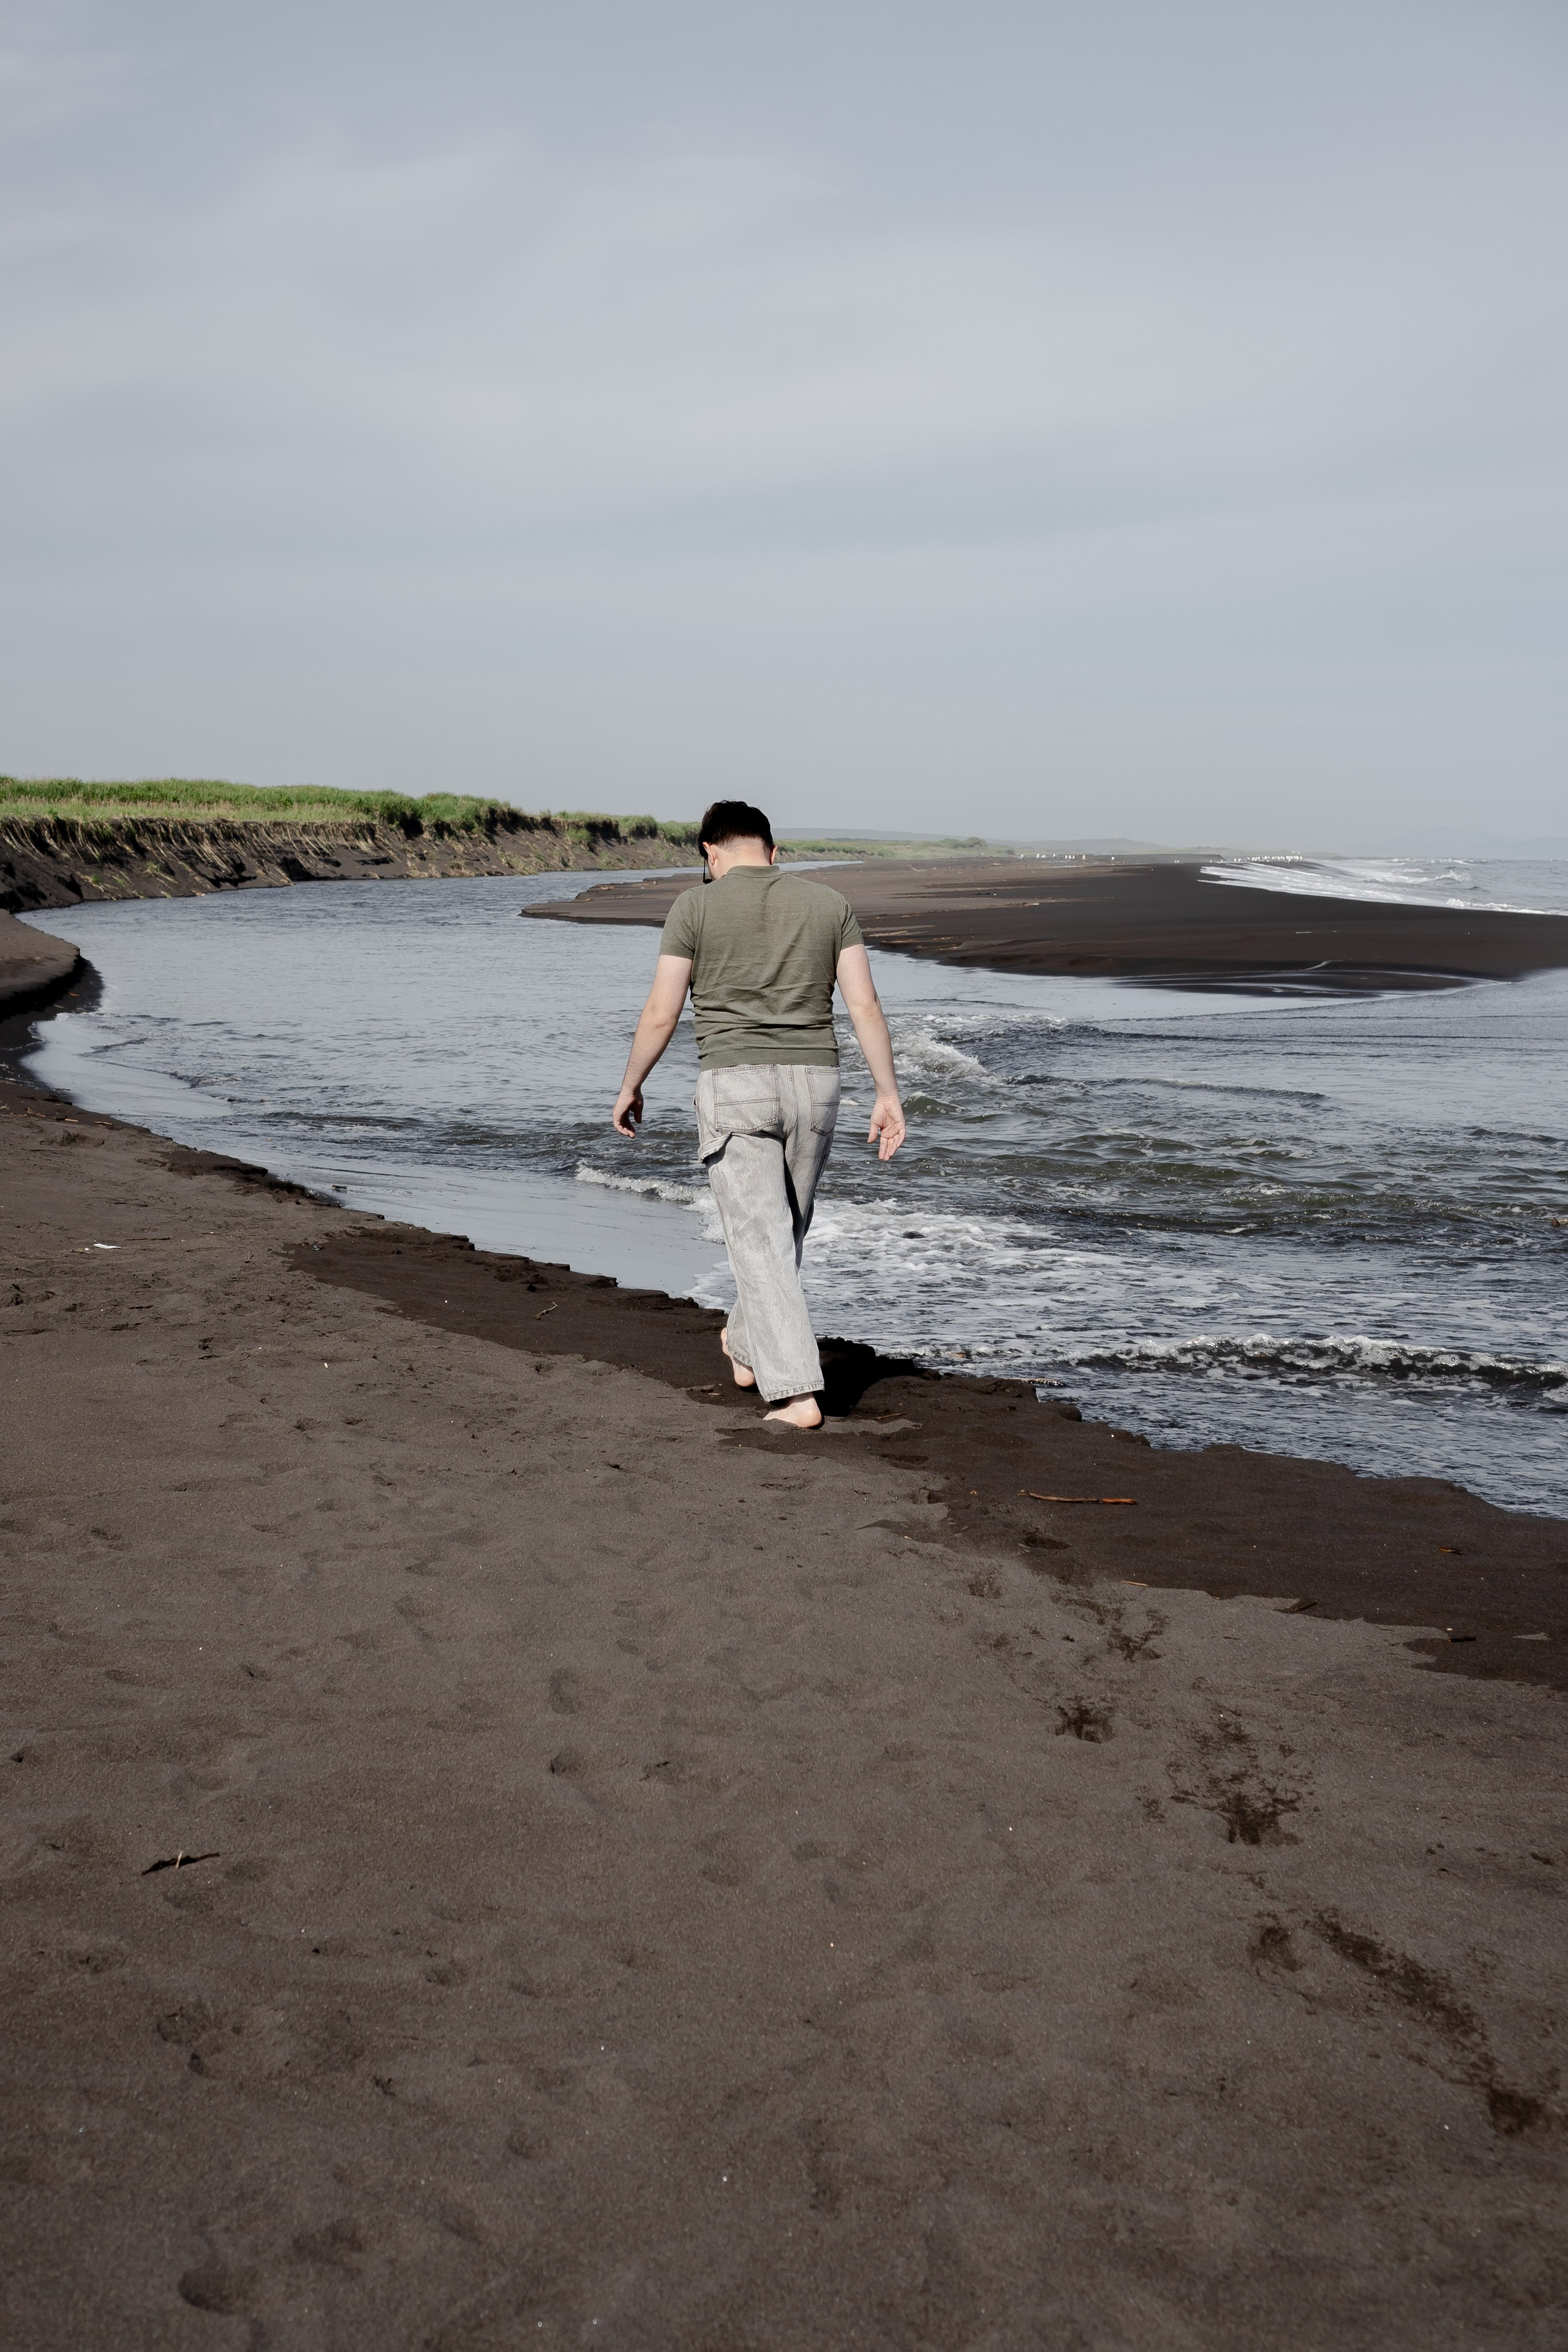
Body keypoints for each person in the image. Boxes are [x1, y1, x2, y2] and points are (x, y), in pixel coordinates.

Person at [612, 799, 906, 1429]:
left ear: (710, 853)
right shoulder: (829, 905)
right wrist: (888, 1094)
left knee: (761, 1240)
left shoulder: (694, 906)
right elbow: (866, 1007)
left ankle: (797, 1396)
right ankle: (745, 1345)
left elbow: (662, 1011)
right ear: (772, 850)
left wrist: (632, 1084)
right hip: (817, 1085)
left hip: (736, 1084)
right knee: (783, 1234)